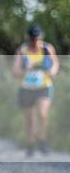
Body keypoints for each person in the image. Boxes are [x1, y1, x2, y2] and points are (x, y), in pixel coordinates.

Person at [12, 24, 59, 156]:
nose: (35, 42)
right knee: (30, 118)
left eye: (37, 39)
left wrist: (52, 71)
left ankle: (43, 141)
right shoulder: (22, 51)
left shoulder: (47, 49)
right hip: (26, 88)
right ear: (28, 38)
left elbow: (55, 64)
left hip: (43, 87)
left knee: (43, 114)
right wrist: (24, 68)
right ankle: (31, 144)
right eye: (33, 39)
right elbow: (14, 72)